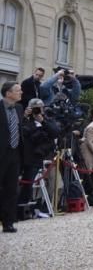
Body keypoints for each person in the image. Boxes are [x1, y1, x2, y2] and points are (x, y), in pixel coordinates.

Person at [0, 81, 23, 232]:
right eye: (17, 90)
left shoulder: (20, 108)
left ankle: (8, 222)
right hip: (1, 152)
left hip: (15, 153)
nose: (21, 92)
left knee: (11, 189)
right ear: (8, 93)